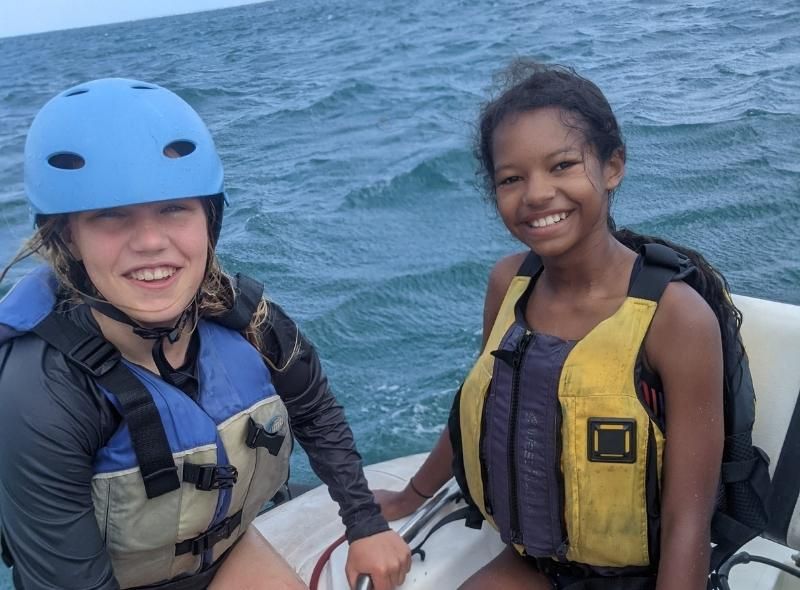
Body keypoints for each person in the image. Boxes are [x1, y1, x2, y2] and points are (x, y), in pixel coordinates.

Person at [0, 78, 410, 590]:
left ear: (209, 220)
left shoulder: (250, 321)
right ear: (68, 237)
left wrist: (365, 523)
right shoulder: (41, 392)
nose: (150, 242)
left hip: (229, 550)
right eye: (111, 217)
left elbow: (315, 413)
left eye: (175, 208)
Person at [374, 61, 738, 590]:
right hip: (535, 563)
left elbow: (688, 520)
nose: (537, 193)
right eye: (511, 178)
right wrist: (412, 495)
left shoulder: (675, 318)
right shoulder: (508, 284)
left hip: (640, 575)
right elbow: (480, 406)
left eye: (563, 165)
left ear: (612, 166)